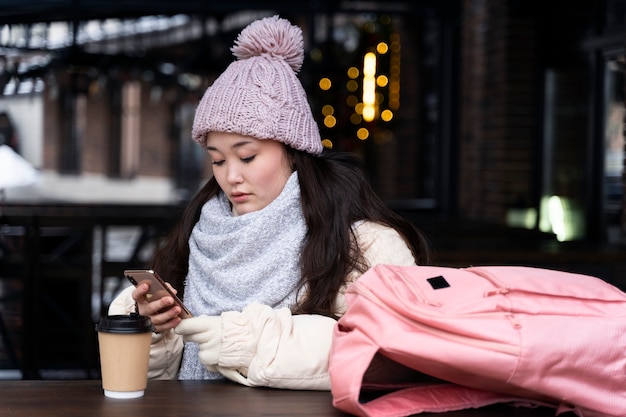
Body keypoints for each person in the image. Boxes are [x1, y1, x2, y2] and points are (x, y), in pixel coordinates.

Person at [108, 15, 431, 390]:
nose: (230, 176)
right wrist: (152, 329)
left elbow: (394, 355)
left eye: (247, 157)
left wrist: (245, 342)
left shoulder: (367, 244)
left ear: (293, 153)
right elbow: (156, 385)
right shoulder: (198, 236)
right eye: (217, 159)